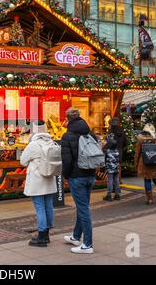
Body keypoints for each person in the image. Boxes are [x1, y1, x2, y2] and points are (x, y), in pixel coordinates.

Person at [61, 108, 97, 254]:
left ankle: (87, 245)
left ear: (67, 118)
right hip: (90, 175)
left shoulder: (67, 136)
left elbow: (67, 160)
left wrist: (66, 176)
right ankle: (76, 236)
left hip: (77, 177)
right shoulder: (90, 132)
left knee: (83, 210)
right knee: (82, 207)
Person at [20, 120, 58, 247]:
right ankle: (46, 234)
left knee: (40, 208)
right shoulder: (51, 141)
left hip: (37, 180)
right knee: (48, 206)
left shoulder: (33, 145)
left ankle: (41, 236)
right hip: (49, 178)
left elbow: (23, 161)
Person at [134, 123, 156, 205]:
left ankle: (150, 199)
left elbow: (137, 154)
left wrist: (136, 166)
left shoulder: (140, 140)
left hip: (144, 164)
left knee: (147, 180)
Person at [103, 137, 120, 201]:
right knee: (116, 180)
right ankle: (117, 195)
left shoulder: (107, 151)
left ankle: (109, 195)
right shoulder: (117, 151)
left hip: (110, 168)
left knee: (110, 181)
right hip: (116, 168)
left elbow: (104, 159)